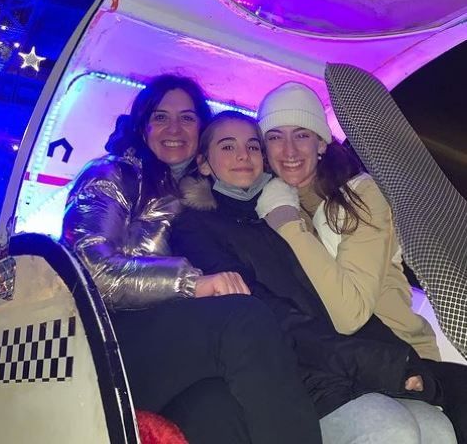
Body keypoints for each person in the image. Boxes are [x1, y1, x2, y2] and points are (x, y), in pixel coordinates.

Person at [61, 74, 322, 444]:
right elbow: (90, 271)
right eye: (161, 117)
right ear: (142, 126)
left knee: (217, 407)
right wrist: (190, 283)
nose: (174, 128)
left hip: (172, 348)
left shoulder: (197, 196)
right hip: (111, 344)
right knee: (243, 318)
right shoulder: (114, 174)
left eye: (187, 118)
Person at [171, 110, 458, 444]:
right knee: (389, 429)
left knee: (438, 429)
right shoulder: (195, 228)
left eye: (253, 146)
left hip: (341, 362)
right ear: (204, 164)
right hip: (292, 373)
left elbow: (330, 299)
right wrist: (379, 365)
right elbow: (268, 313)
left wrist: (400, 358)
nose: (243, 155)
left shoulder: (281, 215)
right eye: (227, 146)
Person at [256, 81, 466, 442]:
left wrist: (286, 222)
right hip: (335, 367)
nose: (288, 150)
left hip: (402, 357)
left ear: (321, 143)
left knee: (438, 434)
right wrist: (283, 214)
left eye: (302, 134)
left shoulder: (361, 195)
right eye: (275, 137)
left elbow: (349, 313)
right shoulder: (268, 208)